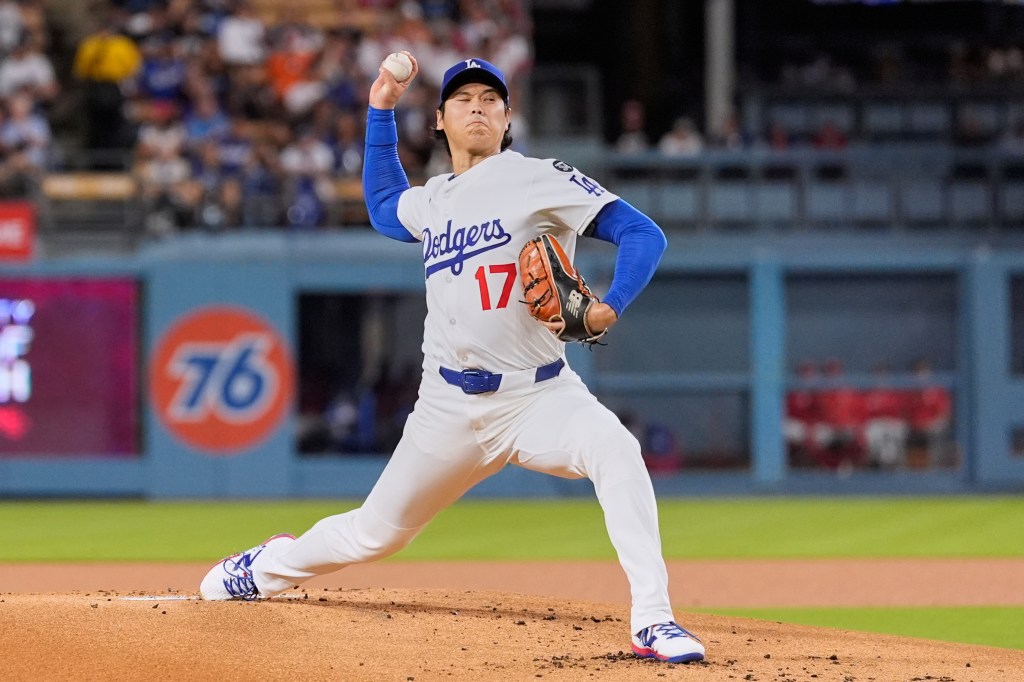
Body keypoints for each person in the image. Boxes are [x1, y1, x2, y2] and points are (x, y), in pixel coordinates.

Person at [199, 54, 705, 665]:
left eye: (490, 99)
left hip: (538, 395)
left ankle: (653, 619)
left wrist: (611, 305)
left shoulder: (539, 178)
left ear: (507, 116)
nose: (477, 107)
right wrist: (381, 106)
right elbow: (386, 206)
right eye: (463, 99)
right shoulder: (434, 199)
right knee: (374, 534)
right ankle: (266, 566)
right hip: (446, 407)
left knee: (617, 449)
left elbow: (644, 234)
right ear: (439, 119)